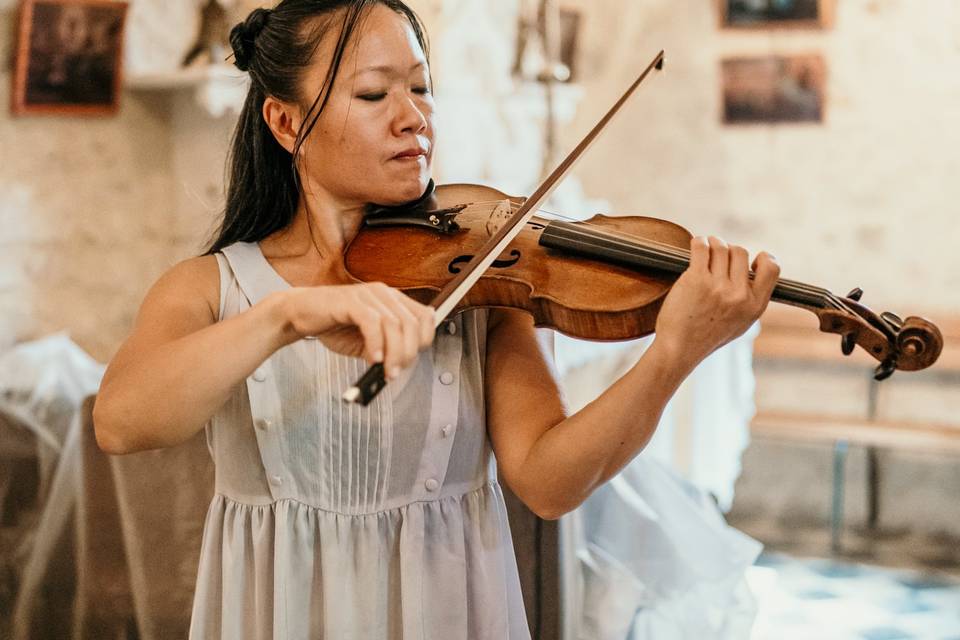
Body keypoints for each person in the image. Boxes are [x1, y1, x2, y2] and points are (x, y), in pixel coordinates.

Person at [92, 1, 780, 638]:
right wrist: (288, 315)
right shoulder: (211, 287)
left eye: (421, 88)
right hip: (282, 611)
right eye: (373, 94)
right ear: (286, 122)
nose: (413, 116)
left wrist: (673, 358)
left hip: (450, 609)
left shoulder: (476, 286)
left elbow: (549, 482)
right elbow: (121, 422)